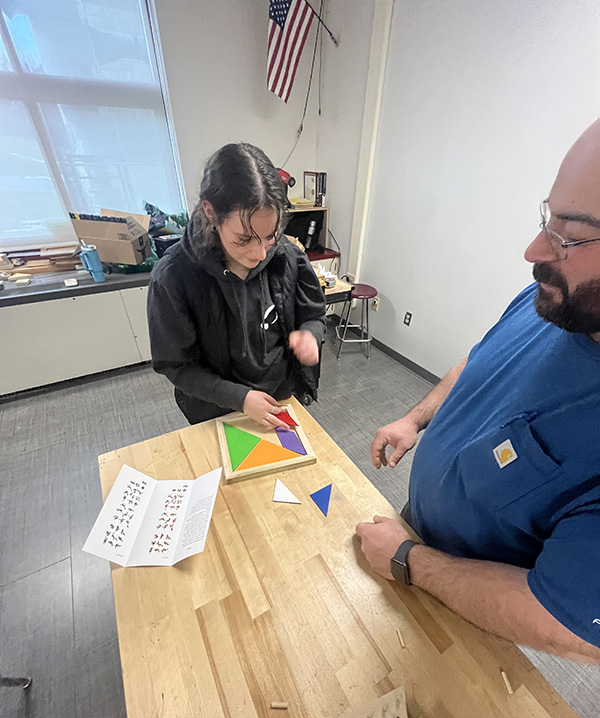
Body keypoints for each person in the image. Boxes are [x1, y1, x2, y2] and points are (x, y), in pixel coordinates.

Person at [356, 120, 600, 663]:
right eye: (547, 220)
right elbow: (483, 357)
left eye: (570, 235)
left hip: (462, 603)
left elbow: (566, 623)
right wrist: (417, 419)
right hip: (412, 533)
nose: (534, 251)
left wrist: (409, 562)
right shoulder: (560, 299)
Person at [147, 142, 326, 427]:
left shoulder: (288, 257)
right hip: (216, 408)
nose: (260, 253)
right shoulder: (172, 277)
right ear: (210, 213)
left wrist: (310, 334)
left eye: (270, 235)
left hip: (279, 397)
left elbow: (314, 314)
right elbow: (177, 365)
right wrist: (240, 398)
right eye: (243, 239)